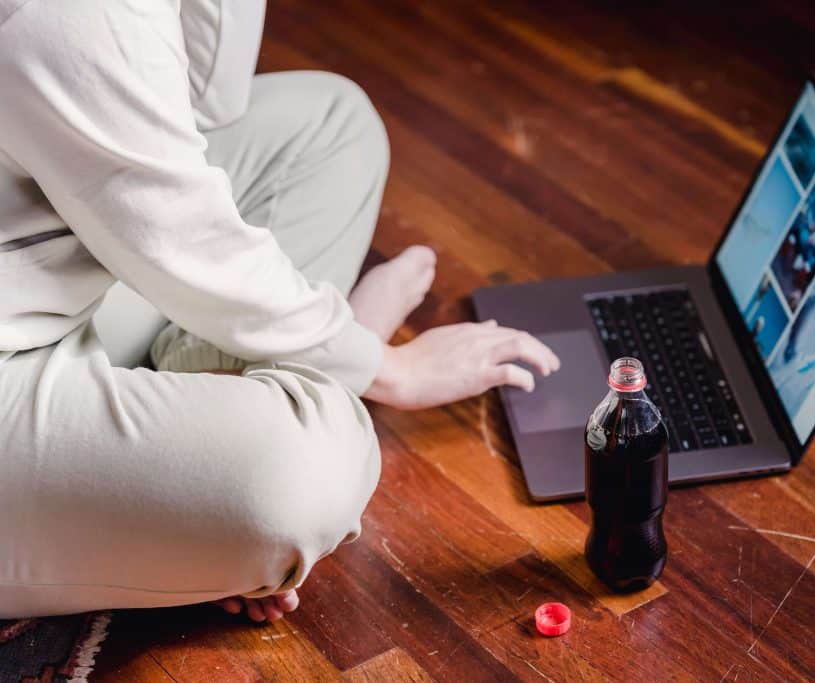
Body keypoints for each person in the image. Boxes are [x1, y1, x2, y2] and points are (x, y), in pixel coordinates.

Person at [0, 1, 559, 623]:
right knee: (299, 478)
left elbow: (209, 100)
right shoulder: (67, 16)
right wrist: (385, 364)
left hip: (44, 270)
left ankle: (183, 470)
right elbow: (184, 240)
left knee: (330, 122)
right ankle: (198, 481)